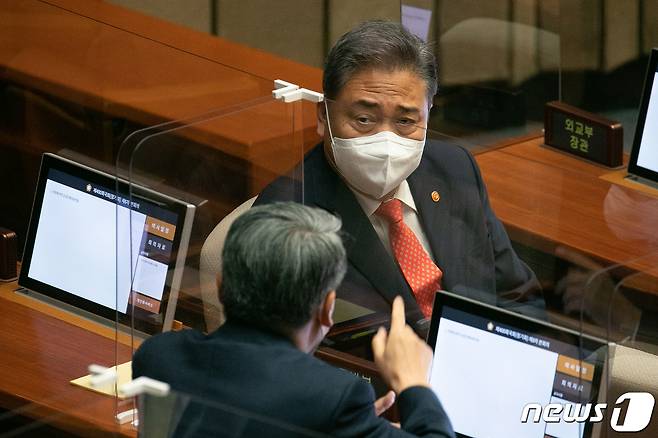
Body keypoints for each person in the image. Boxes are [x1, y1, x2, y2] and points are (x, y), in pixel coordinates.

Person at [255, 21, 543, 326]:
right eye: (364, 119)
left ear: (429, 113)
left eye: (406, 121)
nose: (386, 140)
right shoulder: (284, 217)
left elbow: (519, 298)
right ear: (323, 116)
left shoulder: (454, 169)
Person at [132, 202, 455, 437]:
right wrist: (415, 384)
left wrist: (350, 427)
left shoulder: (158, 356)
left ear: (220, 285)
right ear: (327, 308)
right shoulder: (334, 396)